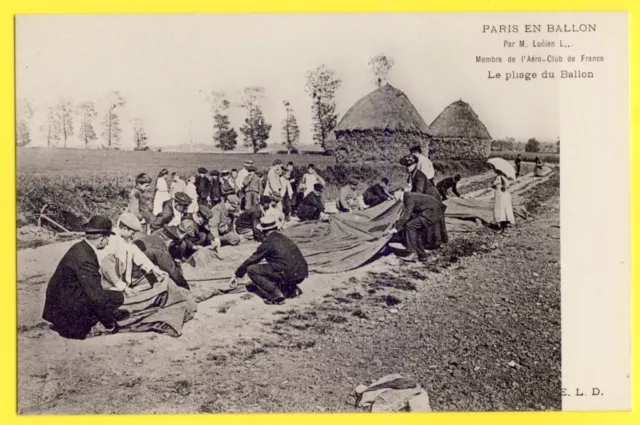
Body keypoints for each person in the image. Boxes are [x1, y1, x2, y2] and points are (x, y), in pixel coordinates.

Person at [42, 216, 126, 339]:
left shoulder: (79, 248)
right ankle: (88, 325)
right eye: (108, 239)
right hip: (66, 314)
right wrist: (109, 324)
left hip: (59, 307)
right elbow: (97, 297)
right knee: (117, 297)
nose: (108, 243)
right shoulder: (85, 258)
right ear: (102, 239)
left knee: (102, 294)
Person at [229, 216, 308, 305]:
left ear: (263, 231)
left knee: (252, 269)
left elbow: (253, 259)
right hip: (302, 272)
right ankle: (292, 289)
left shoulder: (268, 242)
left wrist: (237, 274)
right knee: (278, 267)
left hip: (289, 273)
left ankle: (276, 295)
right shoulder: (284, 237)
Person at [100, 212, 168, 297]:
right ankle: (125, 293)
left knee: (158, 277)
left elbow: (139, 256)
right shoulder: (111, 243)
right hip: (110, 283)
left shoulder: (126, 240)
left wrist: (155, 269)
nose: (133, 236)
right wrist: (123, 288)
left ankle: (131, 291)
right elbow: (109, 272)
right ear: (124, 229)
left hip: (125, 280)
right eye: (132, 233)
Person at [384, 191, 447, 263]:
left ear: (399, 191)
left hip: (432, 212)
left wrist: (395, 229)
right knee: (416, 231)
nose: (393, 196)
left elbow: (407, 215)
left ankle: (412, 252)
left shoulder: (408, 197)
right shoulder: (408, 196)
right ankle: (422, 256)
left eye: (393, 193)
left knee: (410, 226)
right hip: (433, 212)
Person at [133, 222, 192, 290]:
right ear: (170, 242)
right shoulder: (161, 250)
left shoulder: (154, 235)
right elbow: (173, 271)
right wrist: (186, 287)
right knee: (163, 277)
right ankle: (137, 289)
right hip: (134, 275)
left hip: (127, 265)